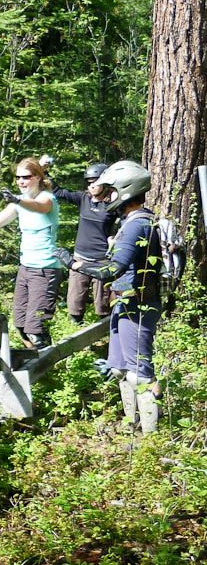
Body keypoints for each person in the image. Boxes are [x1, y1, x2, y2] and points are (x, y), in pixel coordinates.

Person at [55, 160, 162, 433]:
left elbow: (113, 269)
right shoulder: (131, 222)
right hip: (125, 302)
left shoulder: (137, 225)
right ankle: (132, 426)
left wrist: (75, 265)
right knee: (120, 369)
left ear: (126, 190)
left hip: (137, 304)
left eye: (111, 191)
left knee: (139, 372)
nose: (107, 196)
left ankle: (150, 439)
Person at [0, 157, 61, 349]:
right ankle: (34, 358)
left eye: (26, 177)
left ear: (38, 177)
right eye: (18, 177)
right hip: (25, 268)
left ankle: (45, 358)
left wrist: (18, 200)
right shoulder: (19, 202)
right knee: (20, 324)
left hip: (45, 269)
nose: (20, 182)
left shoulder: (47, 198)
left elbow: (39, 207)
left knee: (36, 328)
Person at [53, 162, 116, 324]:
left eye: (95, 182)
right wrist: (41, 170)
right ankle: (75, 331)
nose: (92, 186)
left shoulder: (113, 205)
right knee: (75, 303)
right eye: (89, 183)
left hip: (102, 261)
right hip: (79, 258)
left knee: (103, 305)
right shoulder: (83, 199)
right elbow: (57, 191)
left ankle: (106, 334)